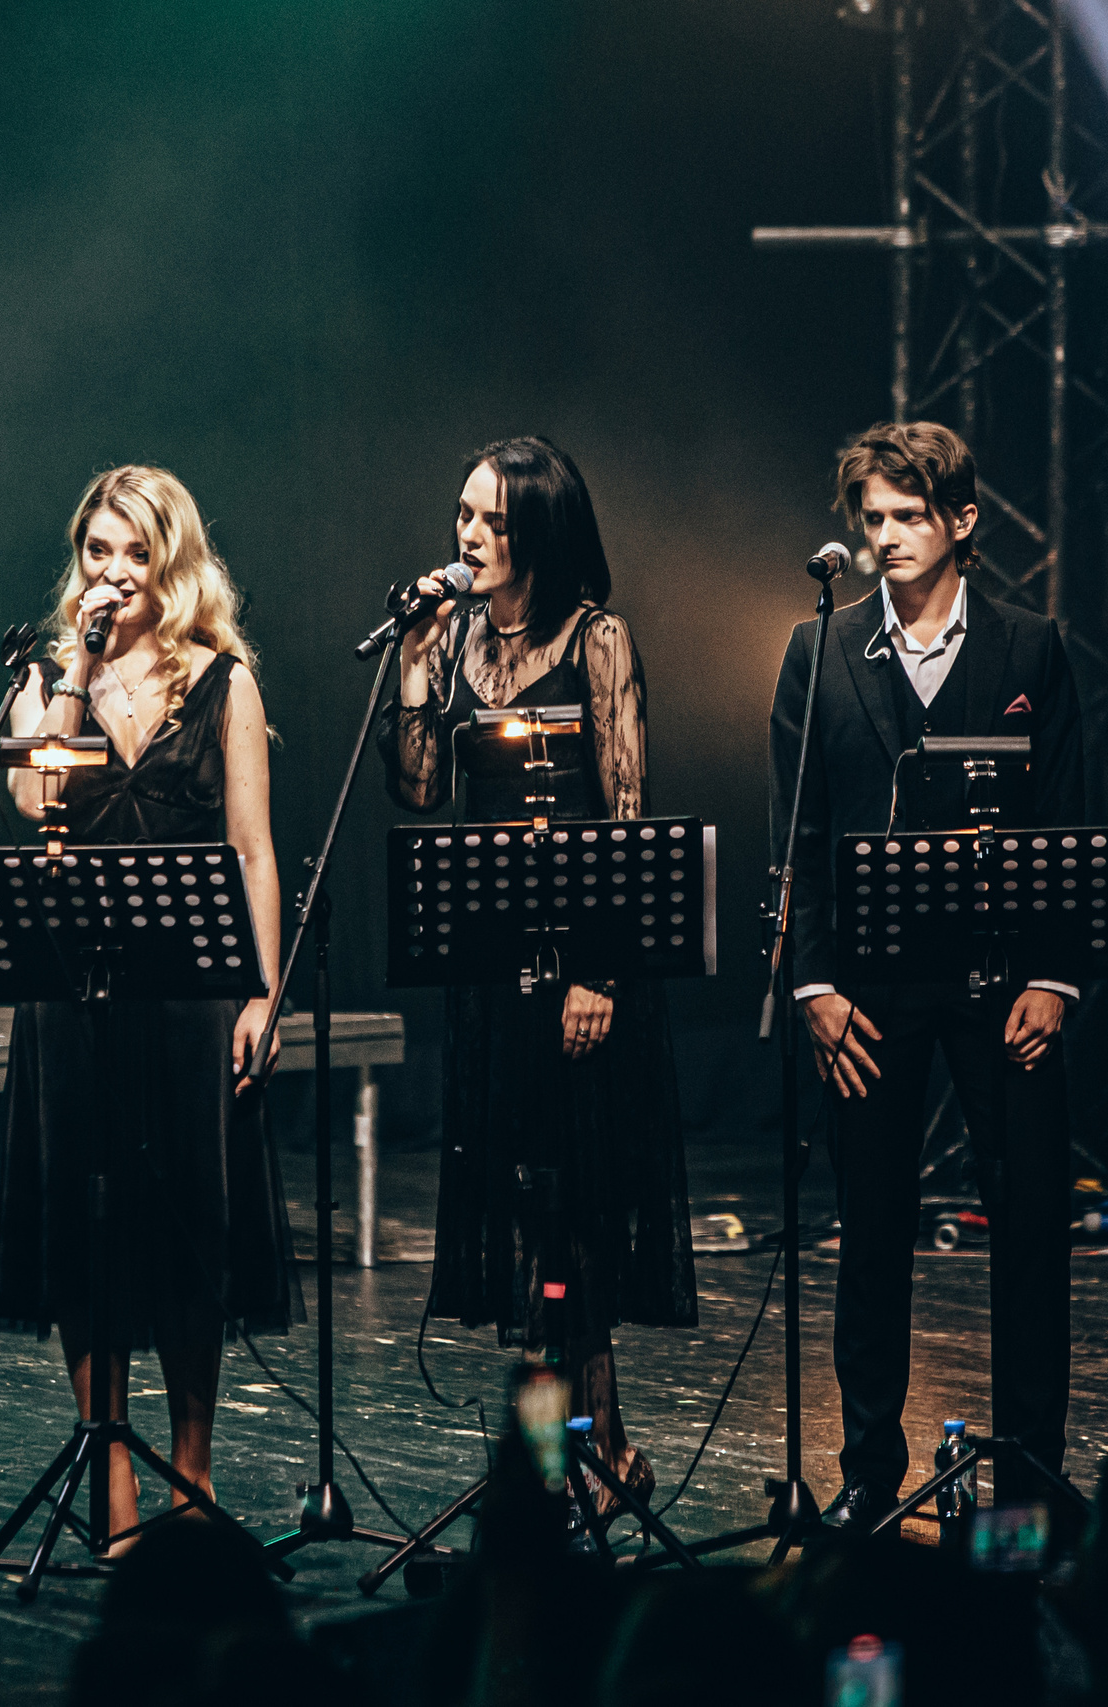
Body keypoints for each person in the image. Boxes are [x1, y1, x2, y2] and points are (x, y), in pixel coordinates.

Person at [766, 420, 1087, 1528]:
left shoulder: (1029, 646)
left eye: (909, 516)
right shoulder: (820, 649)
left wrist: (1054, 973)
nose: (887, 537)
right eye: (874, 518)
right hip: (868, 987)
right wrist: (813, 987)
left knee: (1031, 1224)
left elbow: (1063, 821)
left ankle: (1031, 1474)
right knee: (871, 1227)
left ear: (961, 525)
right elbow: (797, 830)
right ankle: (866, 1472)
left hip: (1004, 981)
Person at [380, 435, 697, 1519]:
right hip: (491, 974)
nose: (467, 536)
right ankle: (566, 1460)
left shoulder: (597, 640)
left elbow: (626, 811)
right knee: (522, 1219)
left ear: (540, 534)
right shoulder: (457, 635)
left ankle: (586, 1452)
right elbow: (420, 790)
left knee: (579, 1219)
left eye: (492, 520)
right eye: (463, 514)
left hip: (586, 971)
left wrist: (602, 973)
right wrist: (418, 657)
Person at [0, 466, 295, 1547]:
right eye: (97, 554)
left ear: (172, 566)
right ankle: (106, 1466)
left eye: (134, 555)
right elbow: (34, 798)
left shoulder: (222, 684)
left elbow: (254, 851)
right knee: (84, 1224)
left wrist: (262, 990)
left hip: (186, 992)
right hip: (72, 991)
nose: (113, 574)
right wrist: (71, 670)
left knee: (184, 1229)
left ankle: (191, 1472)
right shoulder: (45, 677)